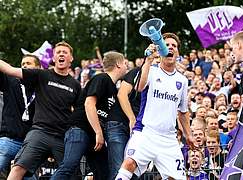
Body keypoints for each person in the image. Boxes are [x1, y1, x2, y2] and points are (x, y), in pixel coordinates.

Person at [115, 33, 195, 180]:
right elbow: (139, 87)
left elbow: (183, 112)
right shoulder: (151, 70)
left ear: (177, 53)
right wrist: (148, 60)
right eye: (167, 45)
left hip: (169, 139)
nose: (170, 47)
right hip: (146, 133)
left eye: (174, 46)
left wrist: (188, 134)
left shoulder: (182, 81)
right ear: (161, 50)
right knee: (129, 163)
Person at [0, 41, 82, 180]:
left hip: (62, 137)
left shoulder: (76, 85)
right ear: (53, 58)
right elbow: (9, 69)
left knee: (71, 174)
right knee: (18, 168)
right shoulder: (42, 75)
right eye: (58, 52)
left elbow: (80, 112)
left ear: (71, 59)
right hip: (40, 132)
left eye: (65, 52)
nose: (61, 54)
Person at [51, 51, 128, 180]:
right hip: (81, 129)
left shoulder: (114, 88)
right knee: (69, 166)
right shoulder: (102, 78)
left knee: (103, 172)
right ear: (118, 64)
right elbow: (89, 103)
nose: (127, 67)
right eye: (125, 63)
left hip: (95, 136)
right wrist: (98, 132)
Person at [0, 54, 41, 179]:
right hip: (8, 139)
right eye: (23, 64)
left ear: (38, 68)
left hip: (29, 145)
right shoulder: (11, 81)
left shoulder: (44, 88)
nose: (24, 66)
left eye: (28, 63)